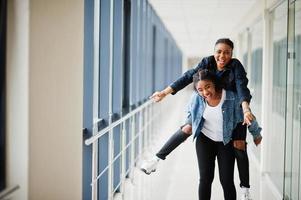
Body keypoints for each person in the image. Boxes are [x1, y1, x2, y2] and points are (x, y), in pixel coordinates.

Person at [140, 38, 262, 200]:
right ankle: (156, 159)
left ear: (232, 53)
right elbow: (188, 76)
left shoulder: (235, 67)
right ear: (213, 52)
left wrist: (246, 111)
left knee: (238, 149)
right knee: (188, 130)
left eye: (227, 52)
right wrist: (164, 92)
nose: (222, 56)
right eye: (219, 52)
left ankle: (245, 189)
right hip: (207, 129)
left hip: (235, 109)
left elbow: (241, 87)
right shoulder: (205, 71)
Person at [186, 69, 262, 200]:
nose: (205, 92)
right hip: (205, 140)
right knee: (205, 179)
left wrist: (256, 134)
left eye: (208, 87)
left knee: (226, 181)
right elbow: (190, 114)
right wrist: (187, 125)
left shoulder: (231, 97)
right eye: (200, 89)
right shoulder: (196, 98)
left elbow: (248, 116)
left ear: (214, 83)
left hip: (225, 142)